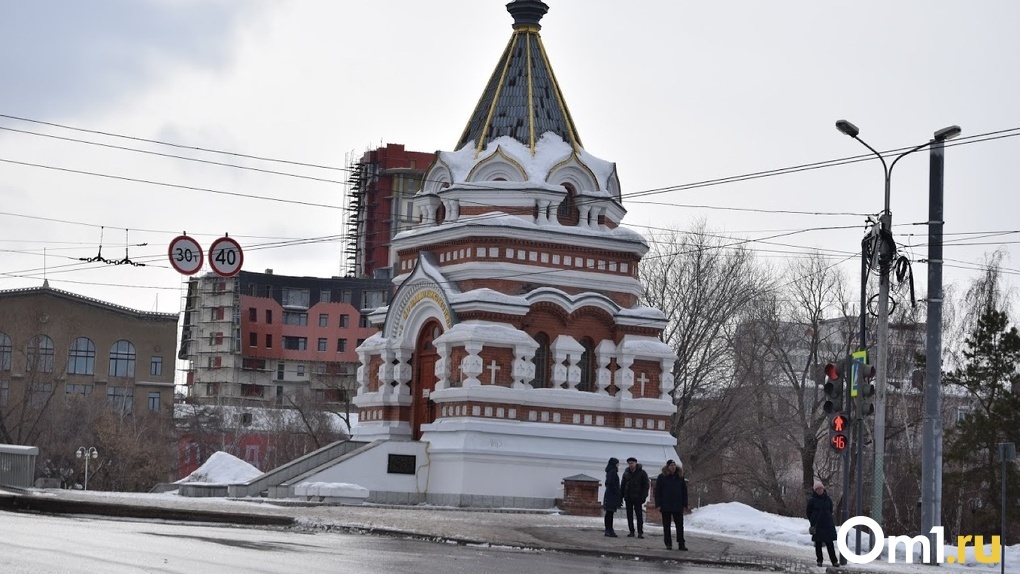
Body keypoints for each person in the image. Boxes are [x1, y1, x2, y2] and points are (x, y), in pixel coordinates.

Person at [654, 459, 688, 550]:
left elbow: (684, 491)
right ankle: (668, 543)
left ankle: (681, 543)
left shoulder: (680, 477)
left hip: (678, 505)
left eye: (674, 465)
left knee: (680, 525)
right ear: (667, 467)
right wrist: (658, 504)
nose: (673, 467)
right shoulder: (662, 477)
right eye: (671, 465)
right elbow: (657, 491)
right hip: (666, 505)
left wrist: (685, 503)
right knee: (666, 525)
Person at [806, 480, 839, 567]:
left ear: (823, 489)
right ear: (815, 491)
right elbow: (808, 512)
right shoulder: (812, 500)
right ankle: (819, 560)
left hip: (828, 525)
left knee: (830, 544)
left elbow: (830, 509)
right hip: (818, 525)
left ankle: (834, 561)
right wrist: (813, 521)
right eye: (818, 489)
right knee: (818, 544)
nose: (820, 491)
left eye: (821, 489)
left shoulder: (827, 499)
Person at [620, 456, 650, 538]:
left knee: (639, 515)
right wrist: (621, 496)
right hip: (628, 497)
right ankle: (631, 531)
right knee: (629, 515)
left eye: (632, 463)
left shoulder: (642, 473)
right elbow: (623, 485)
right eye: (629, 463)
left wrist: (643, 496)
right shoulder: (626, 473)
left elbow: (646, 485)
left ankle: (640, 532)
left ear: (636, 463)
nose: (631, 465)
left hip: (638, 497)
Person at [602, 457, 622, 537]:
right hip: (612, 495)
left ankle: (609, 529)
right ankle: (609, 529)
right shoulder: (613, 472)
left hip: (609, 494)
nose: (618, 465)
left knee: (609, 513)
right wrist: (617, 492)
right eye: (617, 463)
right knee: (609, 513)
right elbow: (612, 484)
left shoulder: (610, 471)